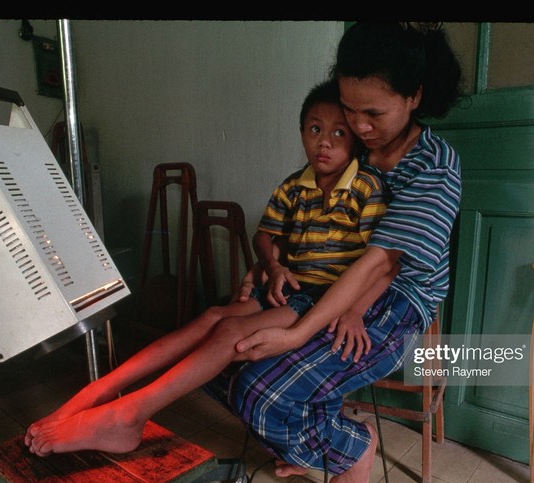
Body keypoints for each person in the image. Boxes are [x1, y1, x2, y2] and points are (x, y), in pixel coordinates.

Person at [24, 79, 394, 457]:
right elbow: (265, 237)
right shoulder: (294, 186)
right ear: (301, 132)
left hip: (321, 300)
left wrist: (353, 309)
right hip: (290, 288)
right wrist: (272, 266)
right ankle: (98, 391)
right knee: (212, 316)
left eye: (338, 133)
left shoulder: (366, 187)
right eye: (315, 129)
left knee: (230, 330)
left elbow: (379, 264)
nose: (324, 142)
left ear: (356, 141)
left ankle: (130, 414)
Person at [217, 22, 464, 483]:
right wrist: (268, 265)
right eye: (350, 110)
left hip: (399, 297)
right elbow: (307, 221)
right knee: (222, 355)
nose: (359, 125)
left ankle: (352, 446)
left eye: (373, 112)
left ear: (414, 96)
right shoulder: (356, 152)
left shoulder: (434, 167)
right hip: (336, 281)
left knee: (260, 393)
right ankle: (304, 439)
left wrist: (312, 326)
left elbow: (380, 264)